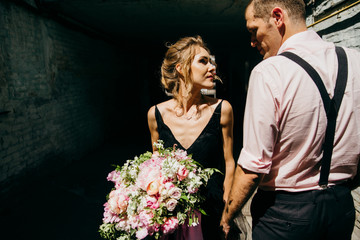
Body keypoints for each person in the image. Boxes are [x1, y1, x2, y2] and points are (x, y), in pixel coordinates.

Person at [220, 0, 360, 240]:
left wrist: (227, 216)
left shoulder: (269, 71)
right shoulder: (355, 60)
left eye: (254, 30)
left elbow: (254, 166)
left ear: (277, 17)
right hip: (341, 207)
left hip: (284, 214)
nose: (252, 42)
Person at [147, 35, 238, 240]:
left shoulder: (222, 109)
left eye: (211, 61)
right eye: (203, 61)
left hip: (212, 212)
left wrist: (227, 210)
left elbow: (229, 162)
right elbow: (155, 168)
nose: (212, 67)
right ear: (181, 68)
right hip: (173, 215)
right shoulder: (155, 115)